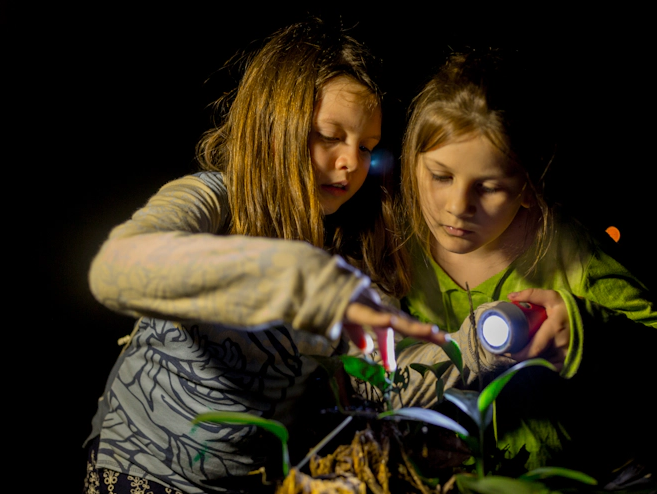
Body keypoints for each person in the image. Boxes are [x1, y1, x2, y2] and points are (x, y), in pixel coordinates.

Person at [81, 17, 449, 494]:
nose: (351, 163)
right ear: (277, 126)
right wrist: (290, 273)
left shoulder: (348, 252)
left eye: (367, 147)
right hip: (140, 473)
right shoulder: (214, 200)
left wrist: (488, 341)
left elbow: (386, 380)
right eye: (330, 136)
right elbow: (118, 269)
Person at [392, 48, 657, 486]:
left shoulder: (566, 255)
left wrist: (588, 332)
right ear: (412, 160)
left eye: (488, 187)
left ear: (528, 187)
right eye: (441, 176)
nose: (456, 207)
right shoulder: (394, 256)